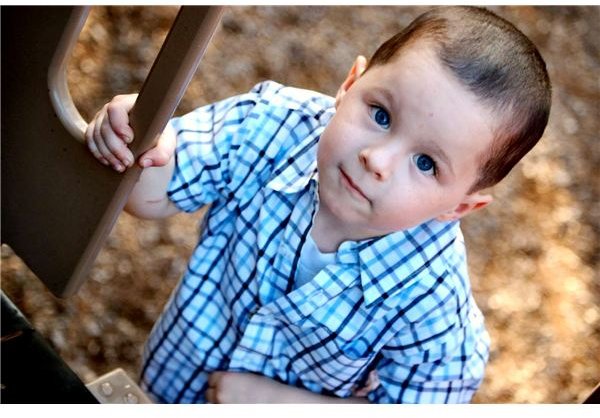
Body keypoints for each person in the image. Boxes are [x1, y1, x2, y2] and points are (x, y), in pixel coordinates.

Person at [85, 6, 551, 403]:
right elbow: (148, 196)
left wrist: (278, 402)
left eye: (426, 164)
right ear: (350, 85)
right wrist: (140, 138)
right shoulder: (270, 126)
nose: (378, 160)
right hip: (169, 381)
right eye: (381, 114)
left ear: (460, 207)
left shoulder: (433, 307)